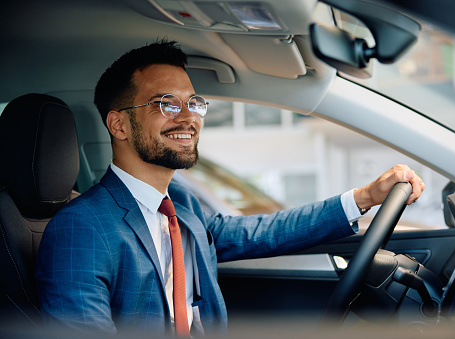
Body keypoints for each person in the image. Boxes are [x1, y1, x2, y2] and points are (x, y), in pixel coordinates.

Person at [35, 40, 425, 336]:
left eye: (193, 103)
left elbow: (260, 232)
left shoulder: (180, 204)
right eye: (166, 104)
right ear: (119, 125)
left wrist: (365, 198)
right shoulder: (81, 228)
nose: (188, 117)